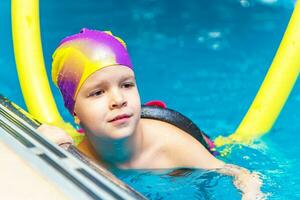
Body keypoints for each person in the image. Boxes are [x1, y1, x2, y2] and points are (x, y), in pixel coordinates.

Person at [38, 28, 264, 199]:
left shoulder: (171, 145)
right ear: (75, 112)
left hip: (200, 146)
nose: (118, 100)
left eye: (126, 85)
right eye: (98, 93)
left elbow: (243, 175)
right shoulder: (76, 153)